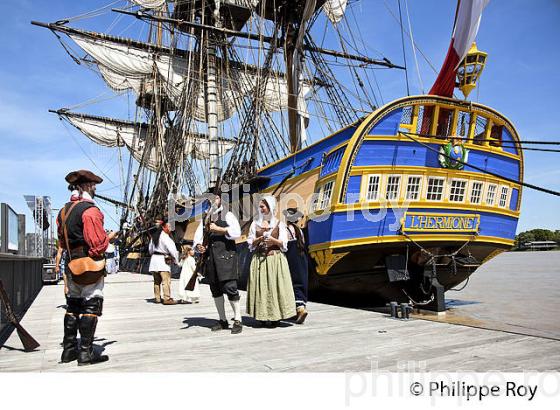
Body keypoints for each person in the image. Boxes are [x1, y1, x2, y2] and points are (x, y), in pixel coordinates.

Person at [56, 169, 117, 366]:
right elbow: (98, 244)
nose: (95, 189)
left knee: (73, 305)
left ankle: (68, 350)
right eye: (93, 186)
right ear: (87, 186)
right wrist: (109, 238)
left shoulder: (63, 211)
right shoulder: (90, 211)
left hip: (71, 264)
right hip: (89, 265)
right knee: (91, 304)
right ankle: (85, 353)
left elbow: (62, 242)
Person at [193, 192, 242, 334]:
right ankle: (223, 320)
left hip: (226, 257)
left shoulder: (227, 215)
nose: (212, 201)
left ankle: (238, 319)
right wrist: (199, 247)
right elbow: (198, 238)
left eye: (215, 198)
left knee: (230, 287)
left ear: (220, 199)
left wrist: (219, 229)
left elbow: (236, 233)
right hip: (211, 259)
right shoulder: (206, 218)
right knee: (215, 289)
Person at [246, 195, 296, 327]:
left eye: (262, 206)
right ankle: (262, 316)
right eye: (260, 206)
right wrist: (259, 239)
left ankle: (275, 317)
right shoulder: (255, 224)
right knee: (261, 288)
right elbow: (250, 244)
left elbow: (284, 244)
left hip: (275, 259)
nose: (260, 209)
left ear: (270, 207)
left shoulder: (279, 224)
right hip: (260, 259)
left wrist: (273, 240)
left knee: (275, 288)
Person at [283, 207, 309, 324]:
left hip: (291, 258)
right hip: (302, 257)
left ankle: (299, 309)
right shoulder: (300, 230)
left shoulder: (287, 230)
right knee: (301, 280)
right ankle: (300, 307)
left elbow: (284, 246)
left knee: (292, 281)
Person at [148, 219, 180, 305]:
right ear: (164, 227)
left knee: (156, 281)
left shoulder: (154, 237)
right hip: (162, 260)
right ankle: (167, 298)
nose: (170, 229)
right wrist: (176, 261)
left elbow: (150, 250)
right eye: (168, 227)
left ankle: (157, 298)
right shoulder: (166, 237)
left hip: (154, 260)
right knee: (166, 281)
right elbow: (173, 250)